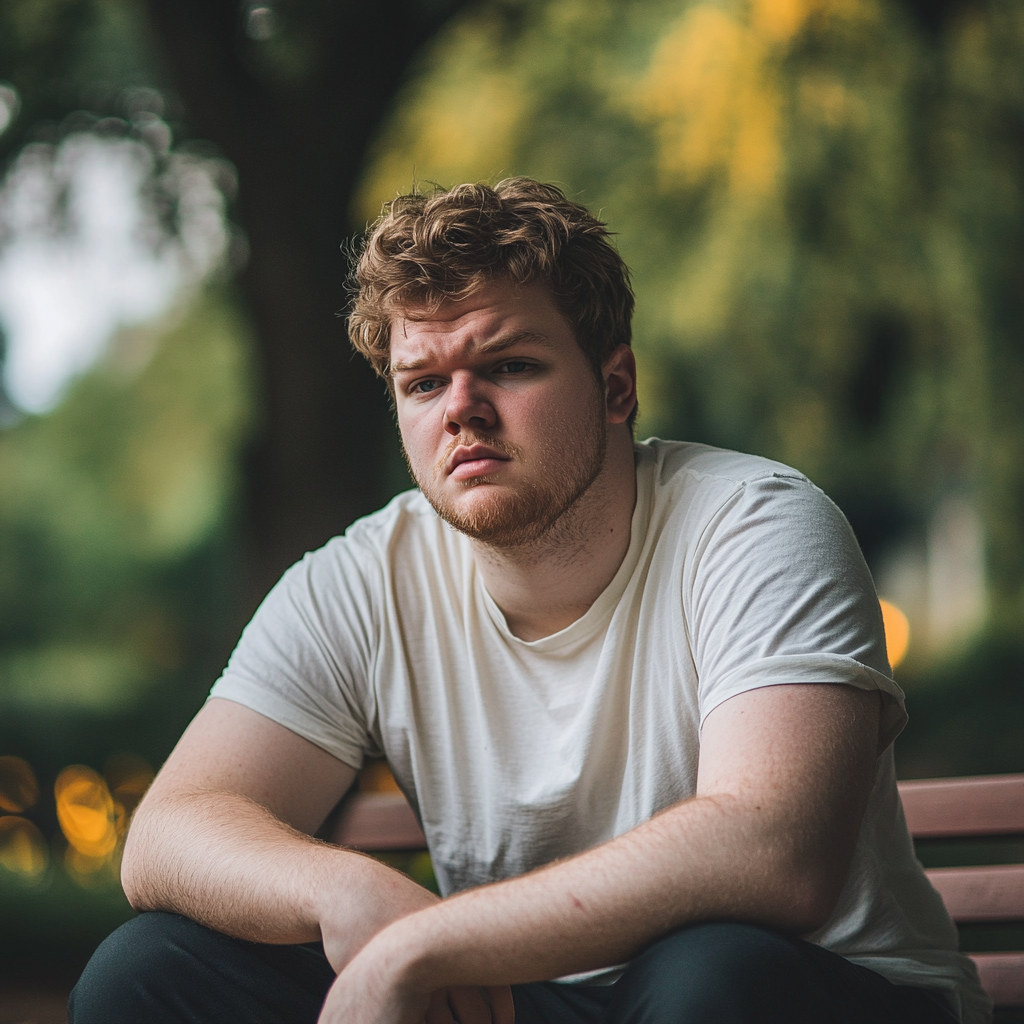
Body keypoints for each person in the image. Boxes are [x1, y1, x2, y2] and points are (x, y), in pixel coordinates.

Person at [69, 178, 990, 1024]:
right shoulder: (361, 579)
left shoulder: (755, 526)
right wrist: (350, 896)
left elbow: (772, 851)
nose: (459, 409)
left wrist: (425, 943)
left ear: (615, 385)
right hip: (524, 1002)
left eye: (508, 366)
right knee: (145, 970)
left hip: (804, 994)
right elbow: (169, 834)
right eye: (424, 384)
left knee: (709, 975)